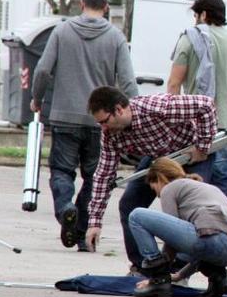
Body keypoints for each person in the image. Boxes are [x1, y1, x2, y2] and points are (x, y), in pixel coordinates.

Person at [31, 0, 138, 251]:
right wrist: (133, 113)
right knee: (95, 177)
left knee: (61, 171)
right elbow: (127, 80)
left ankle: (66, 208)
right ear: (105, 8)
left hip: (64, 115)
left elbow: (43, 69)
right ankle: (80, 233)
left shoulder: (62, 30)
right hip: (101, 122)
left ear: (81, 3)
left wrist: (37, 98)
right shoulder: (115, 37)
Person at [84, 86, 217, 274]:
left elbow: (206, 105)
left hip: (190, 154)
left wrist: (202, 148)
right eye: (100, 124)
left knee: (192, 207)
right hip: (158, 159)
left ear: (119, 110)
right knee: (129, 203)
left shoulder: (158, 108)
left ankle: (181, 267)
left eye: (105, 122)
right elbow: (104, 174)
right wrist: (95, 222)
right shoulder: (110, 135)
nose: (103, 128)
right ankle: (143, 265)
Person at [167, 0, 227, 196]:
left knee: (195, 189)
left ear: (203, 15)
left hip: (194, 129)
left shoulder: (189, 39)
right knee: (221, 189)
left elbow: (174, 84)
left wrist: (173, 124)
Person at [128, 157, 227, 297]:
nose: (158, 196)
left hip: (212, 240)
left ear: (160, 179)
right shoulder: (205, 188)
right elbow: (203, 244)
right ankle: (219, 278)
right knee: (201, 238)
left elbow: (171, 240)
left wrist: (158, 277)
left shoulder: (170, 188)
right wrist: (178, 276)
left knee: (136, 216)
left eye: (155, 189)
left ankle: (158, 282)